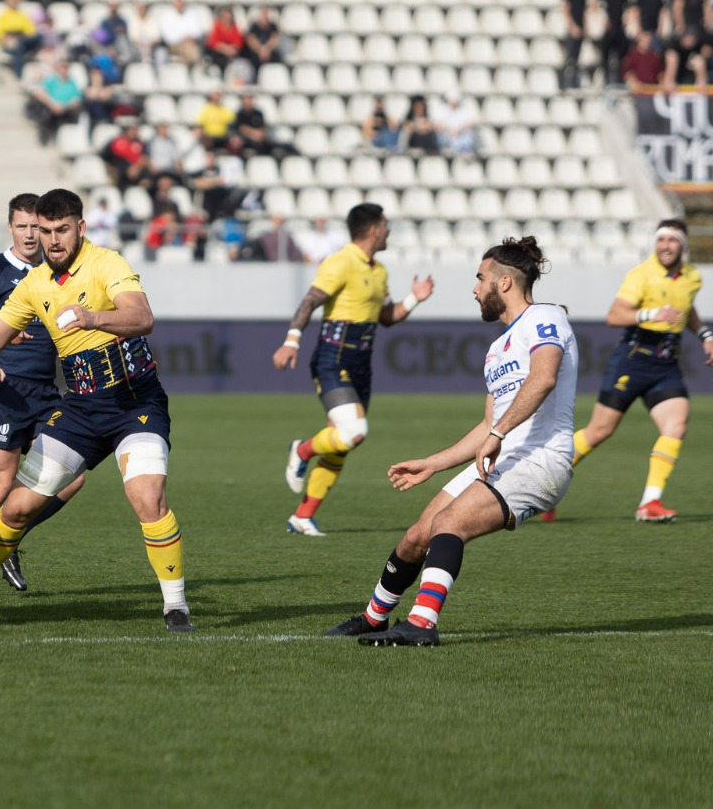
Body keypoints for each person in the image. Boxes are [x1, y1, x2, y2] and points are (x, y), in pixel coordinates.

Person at [0, 189, 191, 631]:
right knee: (16, 508)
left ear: (80, 228)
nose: (53, 240)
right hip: (81, 406)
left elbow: (142, 317)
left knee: (147, 498)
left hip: (135, 401)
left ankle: (176, 607)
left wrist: (92, 317)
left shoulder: (106, 262)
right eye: (45, 231)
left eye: (62, 230)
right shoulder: (33, 284)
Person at [325, 237, 576, 647]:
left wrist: (496, 435)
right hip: (502, 457)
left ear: (505, 284)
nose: (475, 289)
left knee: (449, 524)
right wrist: (432, 463)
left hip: (542, 459)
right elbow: (487, 426)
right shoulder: (497, 349)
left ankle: (422, 624)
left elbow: (543, 378)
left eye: (480, 279)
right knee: (416, 535)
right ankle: (374, 619)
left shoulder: (545, 319)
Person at [272, 203, 435, 535]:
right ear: (374, 228)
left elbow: (386, 317)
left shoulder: (379, 270)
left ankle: (302, 516)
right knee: (354, 431)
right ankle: (301, 449)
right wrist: (291, 340)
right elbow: (310, 301)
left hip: (361, 363)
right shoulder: (340, 261)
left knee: (344, 441)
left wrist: (414, 299)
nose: (389, 231)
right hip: (333, 358)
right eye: (386, 225)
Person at [562, 220, 712, 524]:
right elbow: (615, 315)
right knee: (599, 431)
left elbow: (687, 309)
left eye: (672, 240)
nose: (665, 246)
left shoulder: (693, 277)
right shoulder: (641, 274)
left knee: (676, 425)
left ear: (683, 246)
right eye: (661, 240)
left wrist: (705, 335)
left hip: (666, 364)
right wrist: (651, 313)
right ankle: (548, 481)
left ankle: (650, 502)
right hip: (633, 359)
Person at [0, 193, 76, 591]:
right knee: (1, 482)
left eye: (37, 226)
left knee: (70, 476)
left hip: (47, 391)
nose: (31, 234)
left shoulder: (54, 271)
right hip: (3, 388)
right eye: (23, 226)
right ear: (10, 228)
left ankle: (10, 538)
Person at [27, 59, 81, 146]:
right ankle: (44, 138)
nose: (63, 70)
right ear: (57, 68)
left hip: (66, 109)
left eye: (65, 67)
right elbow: (40, 93)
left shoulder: (72, 82)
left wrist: (64, 106)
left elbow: (76, 99)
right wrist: (53, 104)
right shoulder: (51, 80)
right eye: (61, 67)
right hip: (51, 107)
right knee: (45, 113)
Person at [0, 0, 42, 79]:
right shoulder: (2, 15)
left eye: (15, 0)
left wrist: (23, 36)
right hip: (9, 41)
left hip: (23, 38)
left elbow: (31, 30)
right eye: (11, 0)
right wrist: (7, 38)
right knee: (19, 47)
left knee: (38, 36)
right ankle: (19, 76)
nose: (13, 2)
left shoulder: (22, 14)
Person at [598, 0, 630, 85]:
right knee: (605, 54)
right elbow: (595, 6)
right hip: (610, 29)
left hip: (620, 29)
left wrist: (627, 19)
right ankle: (606, 77)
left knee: (623, 55)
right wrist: (603, 19)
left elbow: (630, 9)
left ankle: (620, 78)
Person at [160, 0, 208, 65]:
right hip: (174, 45)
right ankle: (197, 63)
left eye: (181, 3)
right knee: (189, 48)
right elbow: (168, 37)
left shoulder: (190, 14)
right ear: (173, 4)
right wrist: (182, 38)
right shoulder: (167, 16)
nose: (179, 5)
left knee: (191, 46)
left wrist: (190, 36)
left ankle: (190, 66)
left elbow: (198, 31)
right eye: (177, 3)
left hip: (191, 42)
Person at [560, 0, 587, 90]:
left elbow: (583, 12)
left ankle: (574, 83)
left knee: (576, 58)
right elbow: (566, 10)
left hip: (579, 29)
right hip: (573, 30)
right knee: (568, 58)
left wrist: (585, 27)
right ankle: (563, 82)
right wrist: (572, 27)